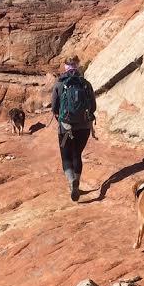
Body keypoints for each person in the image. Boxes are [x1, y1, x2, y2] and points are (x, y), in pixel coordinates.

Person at [51, 55, 97, 201]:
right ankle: (77, 182)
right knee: (77, 154)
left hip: (66, 127)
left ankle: (72, 183)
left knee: (66, 156)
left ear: (65, 66)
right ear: (78, 65)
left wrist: (60, 117)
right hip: (83, 127)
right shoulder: (85, 83)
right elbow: (93, 106)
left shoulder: (60, 84)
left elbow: (54, 106)